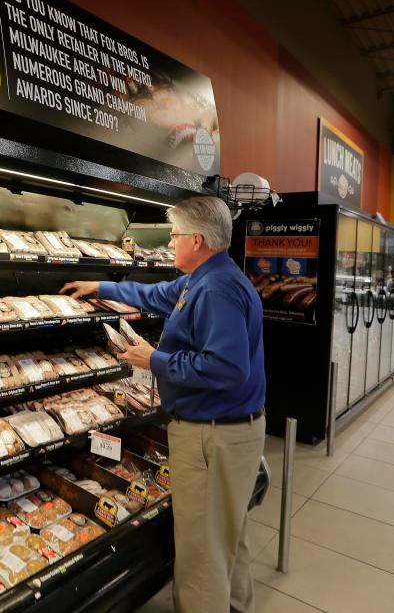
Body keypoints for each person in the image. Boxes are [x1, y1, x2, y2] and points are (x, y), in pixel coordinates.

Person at [61, 195, 265, 613]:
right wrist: (101, 287)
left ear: (197, 239)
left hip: (214, 436)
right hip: (229, 432)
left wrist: (151, 359)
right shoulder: (207, 276)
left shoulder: (216, 290)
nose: (169, 243)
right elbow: (156, 294)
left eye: (174, 236)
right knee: (228, 534)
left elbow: (227, 369)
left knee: (201, 548)